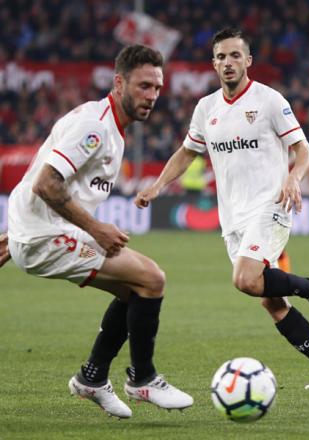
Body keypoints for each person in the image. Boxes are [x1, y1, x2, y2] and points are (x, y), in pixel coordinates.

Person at [135, 28, 309, 390]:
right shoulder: (207, 108)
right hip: (232, 216)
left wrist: (294, 177)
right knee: (270, 301)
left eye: (235, 55)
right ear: (214, 63)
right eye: (221, 57)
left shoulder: (268, 100)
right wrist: (158, 185)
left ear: (248, 60)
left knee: (245, 279)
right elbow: (188, 152)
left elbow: (305, 150)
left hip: (271, 204)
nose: (228, 63)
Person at [0, 45, 193, 418]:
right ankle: (142, 378)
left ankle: (93, 377)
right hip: (46, 237)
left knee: (134, 291)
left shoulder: (105, 124)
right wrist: (96, 229)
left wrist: (13, 233)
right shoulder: (95, 127)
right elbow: (45, 182)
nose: (152, 96)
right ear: (119, 82)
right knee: (152, 280)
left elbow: (41, 175)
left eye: (157, 87)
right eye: (143, 86)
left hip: (39, 231)